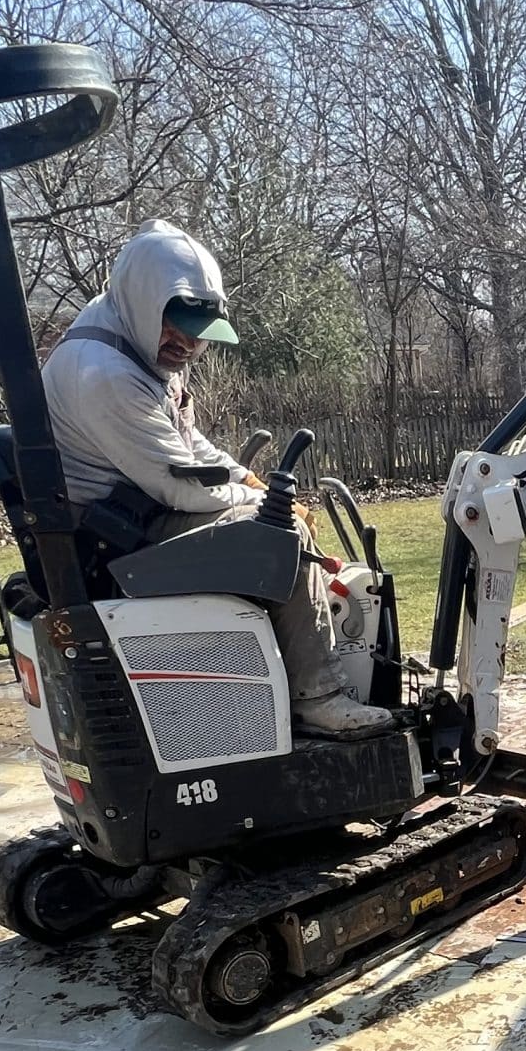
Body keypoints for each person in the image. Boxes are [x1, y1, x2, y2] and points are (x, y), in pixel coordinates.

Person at [43, 219, 392, 738]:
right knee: (279, 538)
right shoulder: (106, 374)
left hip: (129, 514)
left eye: (197, 335)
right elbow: (179, 487)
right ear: (145, 302)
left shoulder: (132, 337)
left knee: (269, 516)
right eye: (176, 327)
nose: (186, 345)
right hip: (114, 539)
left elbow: (188, 446)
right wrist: (267, 509)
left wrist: (249, 481)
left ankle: (281, 674)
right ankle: (319, 695)